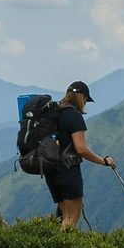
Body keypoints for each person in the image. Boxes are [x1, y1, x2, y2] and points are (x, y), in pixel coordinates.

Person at [44, 81, 115, 229]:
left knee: (64, 217)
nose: (85, 104)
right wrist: (104, 161)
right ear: (80, 97)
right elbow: (81, 149)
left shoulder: (54, 112)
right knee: (71, 218)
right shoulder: (73, 116)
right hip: (68, 171)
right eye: (85, 100)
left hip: (50, 170)